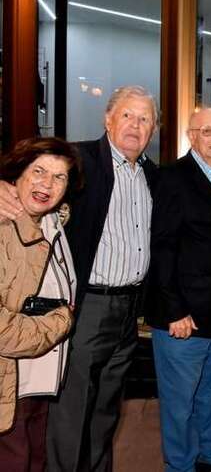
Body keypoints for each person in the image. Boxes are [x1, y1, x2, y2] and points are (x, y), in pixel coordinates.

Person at [0, 85, 159, 471]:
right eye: (127, 115)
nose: (135, 125)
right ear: (108, 119)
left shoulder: (152, 175)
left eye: (145, 119)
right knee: (71, 414)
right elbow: (29, 175)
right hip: (86, 307)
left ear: (154, 130)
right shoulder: (79, 161)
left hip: (129, 312)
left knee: (106, 412)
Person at [146, 109, 211, 472]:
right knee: (180, 404)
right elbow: (162, 247)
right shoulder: (174, 178)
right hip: (184, 317)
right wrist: (174, 309)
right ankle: (181, 466)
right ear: (192, 136)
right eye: (208, 132)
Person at [0, 137, 80, 471]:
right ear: (16, 176)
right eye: (38, 171)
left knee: (35, 459)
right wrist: (62, 321)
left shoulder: (52, 221)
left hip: (39, 378)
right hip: (9, 382)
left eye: (59, 177)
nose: (47, 183)